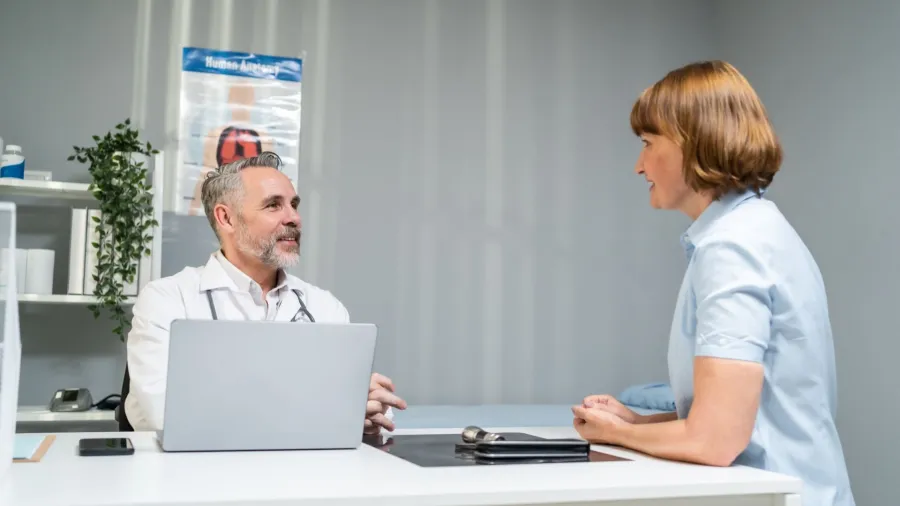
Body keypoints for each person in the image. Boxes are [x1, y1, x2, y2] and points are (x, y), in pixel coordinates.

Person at [571, 61, 854, 506]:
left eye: (647, 144)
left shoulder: (732, 248)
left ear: (693, 143)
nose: (639, 166)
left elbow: (715, 441)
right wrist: (635, 423)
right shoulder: (757, 229)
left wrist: (619, 435)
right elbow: (742, 419)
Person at [123, 151, 406, 433]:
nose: (294, 218)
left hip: (306, 462)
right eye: (273, 205)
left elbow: (357, 408)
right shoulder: (168, 300)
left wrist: (367, 412)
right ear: (226, 218)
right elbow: (164, 416)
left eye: (294, 205)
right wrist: (325, 410)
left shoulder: (324, 308)